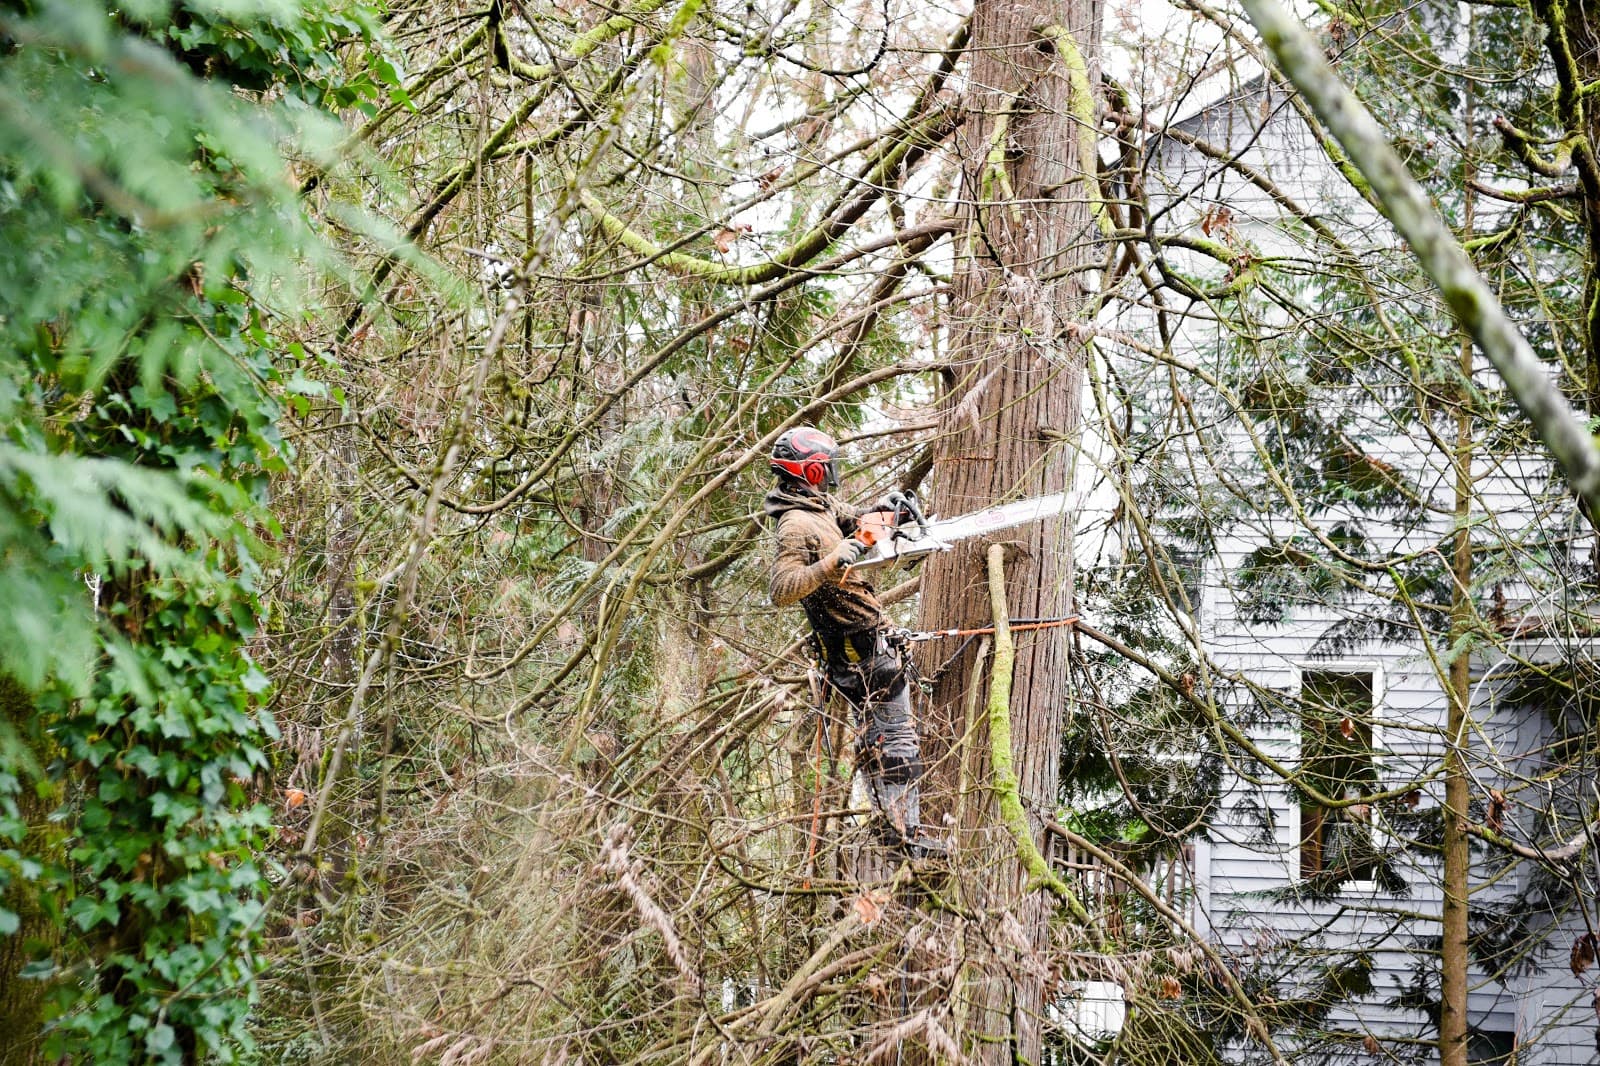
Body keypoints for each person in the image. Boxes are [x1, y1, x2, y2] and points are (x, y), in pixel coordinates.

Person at [763, 426, 946, 858]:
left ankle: (891, 829)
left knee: (875, 740)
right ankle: (906, 836)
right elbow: (781, 588)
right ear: (808, 471)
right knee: (897, 739)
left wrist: (884, 514)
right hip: (854, 650)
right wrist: (830, 561)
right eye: (825, 469)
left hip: (863, 644)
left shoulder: (820, 505)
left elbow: (856, 522)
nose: (831, 476)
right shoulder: (795, 524)